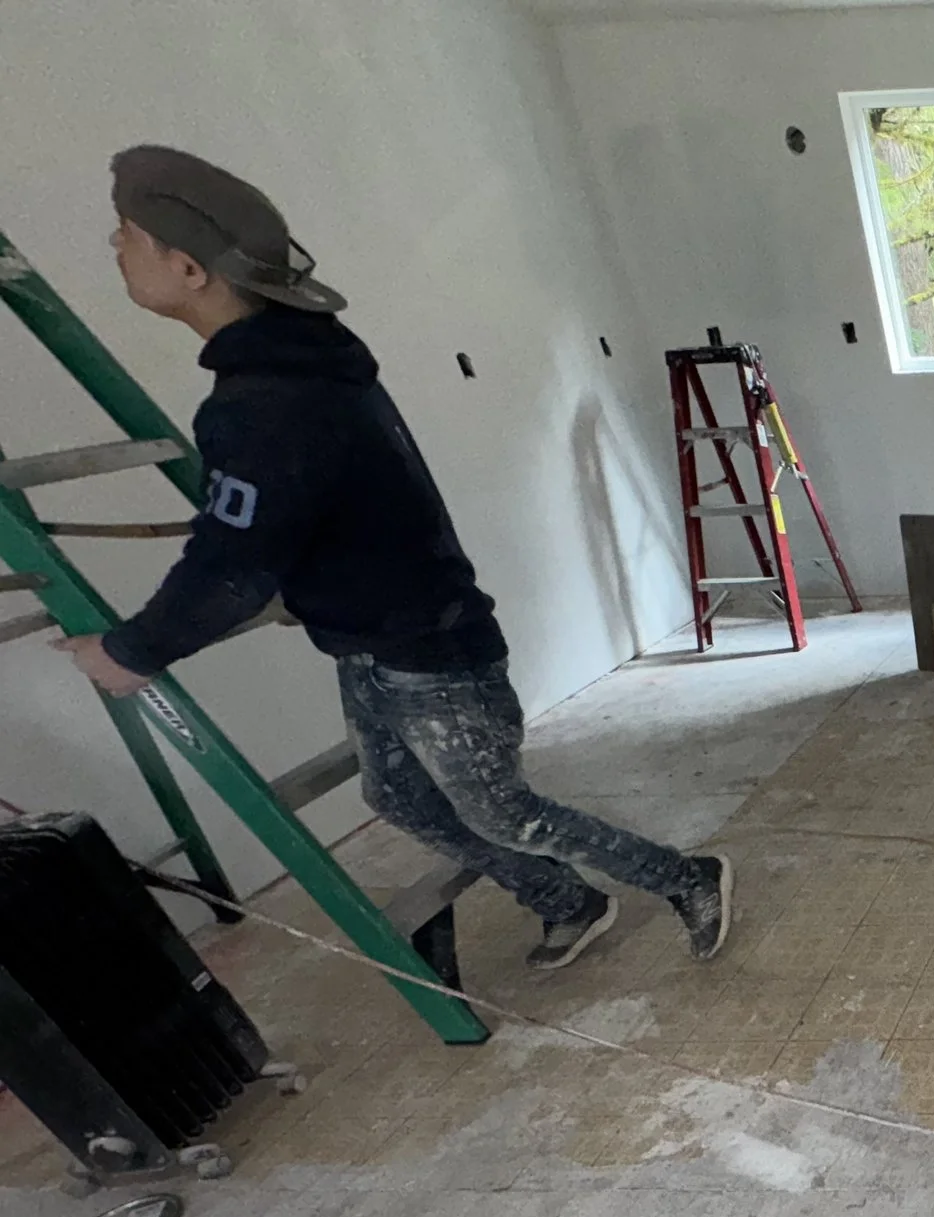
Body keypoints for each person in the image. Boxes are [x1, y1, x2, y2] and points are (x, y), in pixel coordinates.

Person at [55, 145, 731, 969]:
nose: (113, 248)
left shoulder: (265, 402)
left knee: (503, 811)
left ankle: (688, 875)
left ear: (189, 267)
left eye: (126, 235)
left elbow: (231, 565)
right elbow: (296, 519)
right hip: (372, 642)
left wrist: (131, 653)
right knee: (398, 795)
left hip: (431, 651)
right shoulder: (298, 364)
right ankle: (568, 899)